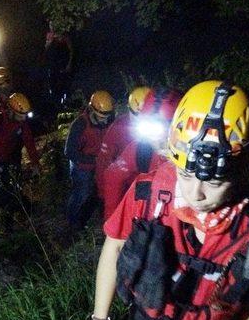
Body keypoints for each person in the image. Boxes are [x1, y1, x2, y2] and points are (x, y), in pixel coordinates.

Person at [92, 81, 249, 320]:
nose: (195, 194)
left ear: (242, 170)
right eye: (186, 175)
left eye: (215, 182)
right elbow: (114, 244)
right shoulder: (148, 193)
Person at [100, 88, 181, 221]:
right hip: (153, 219)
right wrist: (113, 222)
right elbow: (113, 176)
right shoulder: (141, 148)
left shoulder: (195, 152)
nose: (157, 137)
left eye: (165, 126)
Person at [0, 93, 41, 231]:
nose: (24, 118)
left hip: (9, 160)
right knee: (0, 195)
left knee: (15, 188)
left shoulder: (21, 123)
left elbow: (30, 144)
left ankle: (19, 214)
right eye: (21, 115)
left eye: (25, 115)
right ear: (10, 111)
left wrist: (35, 164)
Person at [64, 90, 115, 230]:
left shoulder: (109, 119)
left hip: (100, 163)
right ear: (92, 110)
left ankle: (97, 219)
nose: (105, 120)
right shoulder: (80, 124)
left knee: (99, 191)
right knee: (81, 193)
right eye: (101, 117)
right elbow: (69, 152)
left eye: (107, 116)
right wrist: (94, 160)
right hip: (81, 165)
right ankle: (72, 223)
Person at [95, 86, 152, 199]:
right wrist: (103, 192)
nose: (142, 119)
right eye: (137, 115)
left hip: (151, 186)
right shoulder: (118, 128)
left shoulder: (160, 127)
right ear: (129, 110)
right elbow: (104, 162)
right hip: (125, 186)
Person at [44, 20, 74, 108]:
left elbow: (70, 49)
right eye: (50, 25)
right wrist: (49, 42)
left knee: (63, 84)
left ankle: (64, 102)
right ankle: (54, 103)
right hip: (53, 65)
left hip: (62, 64)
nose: (52, 26)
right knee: (53, 84)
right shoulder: (49, 35)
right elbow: (46, 49)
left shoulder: (63, 36)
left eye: (53, 25)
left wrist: (69, 63)